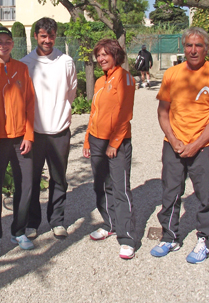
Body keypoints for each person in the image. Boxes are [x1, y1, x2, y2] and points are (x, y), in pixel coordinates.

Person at [150, 27, 209, 264]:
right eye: (189, 45)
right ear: (183, 48)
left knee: (205, 195)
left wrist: (195, 145)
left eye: (198, 45)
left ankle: (208, 240)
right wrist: (174, 140)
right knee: (170, 192)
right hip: (173, 144)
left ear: (206, 48)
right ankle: (170, 236)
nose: (193, 50)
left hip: (203, 146)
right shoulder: (172, 74)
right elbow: (163, 112)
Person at [20, 17, 77, 239]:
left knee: (59, 178)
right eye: (43, 35)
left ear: (55, 36)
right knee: (32, 180)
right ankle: (32, 222)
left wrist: (60, 113)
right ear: (36, 36)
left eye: (51, 36)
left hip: (59, 131)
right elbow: (23, 99)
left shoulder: (66, 62)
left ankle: (57, 221)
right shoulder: (26, 63)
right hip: (33, 133)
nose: (47, 40)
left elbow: (71, 92)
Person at [0, 26, 36, 256]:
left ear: (13, 44)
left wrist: (29, 134)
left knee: (26, 185)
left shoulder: (22, 69)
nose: (3, 45)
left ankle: (19, 230)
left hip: (21, 138)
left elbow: (31, 103)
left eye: (7, 41)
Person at [82, 39, 137, 260]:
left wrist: (115, 143)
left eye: (106, 54)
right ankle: (109, 223)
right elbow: (94, 112)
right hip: (96, 140)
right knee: (100, 186)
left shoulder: (125, 78)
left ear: (116, 55)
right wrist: (87, 140)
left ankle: (126, 237)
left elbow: (126, 113)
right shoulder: (98, 81)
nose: (101, 59)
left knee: (120, 188)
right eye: (99, 55)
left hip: (117, 143)